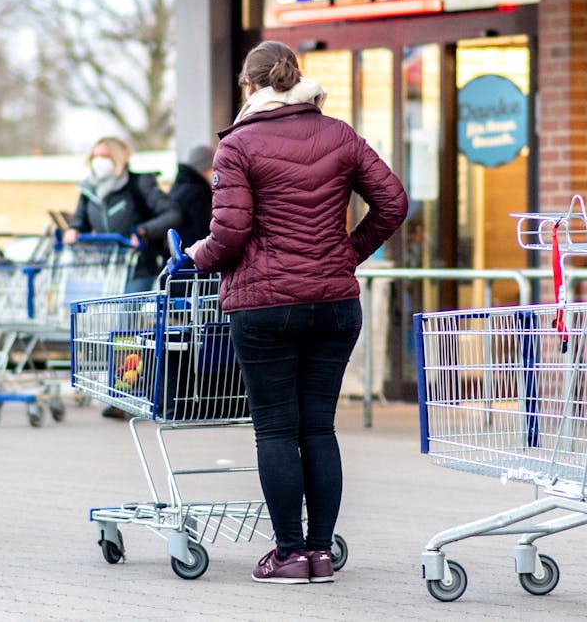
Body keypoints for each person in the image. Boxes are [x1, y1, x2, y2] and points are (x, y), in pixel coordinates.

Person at [188, 40, 406, 585]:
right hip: (334, 303)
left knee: (277, 430)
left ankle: (288, 554)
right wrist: (346, 254)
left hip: (265, 307)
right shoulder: (340, 134)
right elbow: (394, 203)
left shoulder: (238, 145)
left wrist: (196, 258)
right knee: (319, 428)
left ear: (249, 85)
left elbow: (230, 233)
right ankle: (320, 553)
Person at [66, 136, 183, 293]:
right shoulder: (89, 190)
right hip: (104, 270)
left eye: (105, 156)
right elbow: (79, 221)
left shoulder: (138, 184)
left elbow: (172, 214)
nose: (99, 161)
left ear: (118, 157)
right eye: (95, 156)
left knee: (126, 308)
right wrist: (73, 230)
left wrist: (144, 231)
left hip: (138, 268)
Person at [170, 145, 215, 245]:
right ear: (205, 168)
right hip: (191, 249)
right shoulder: (199, 190)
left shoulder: (180, 183)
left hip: (177, 247)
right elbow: (203, 229)